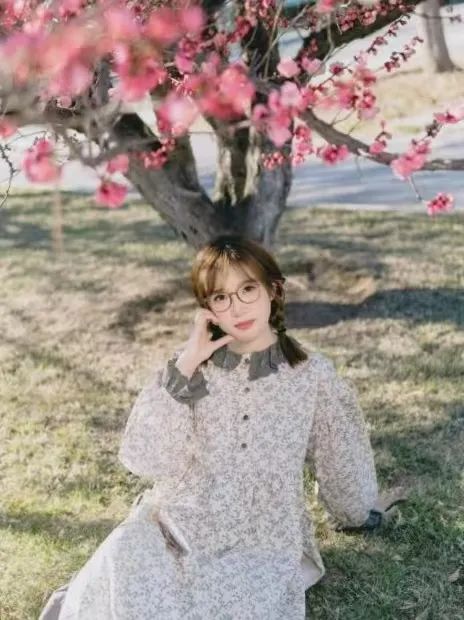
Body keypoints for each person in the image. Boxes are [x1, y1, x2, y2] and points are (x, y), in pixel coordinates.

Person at [39, 234, 385, 620]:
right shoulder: (189, 368)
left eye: (248, 289)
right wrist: (188, 360)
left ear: (274, 290)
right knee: (126, 562)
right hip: (176, 525)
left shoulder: (312, 374)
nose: (237, 307)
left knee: (221, 605)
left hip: (261, 539)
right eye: (221, 297)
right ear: (207, 309)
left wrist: (356, 512)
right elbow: (146, 459)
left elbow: (341, 454)